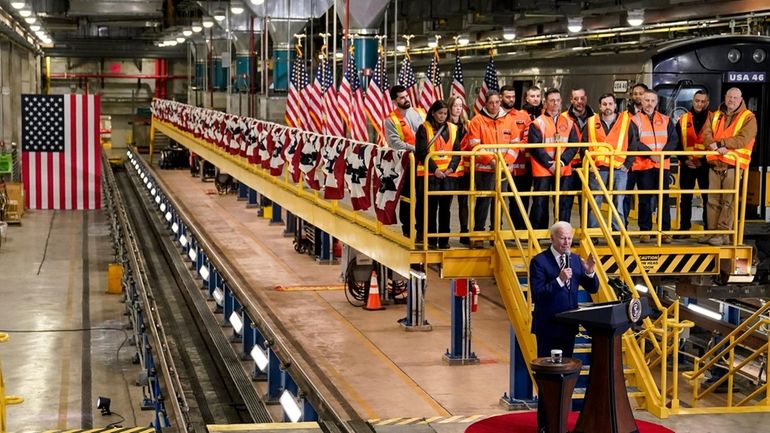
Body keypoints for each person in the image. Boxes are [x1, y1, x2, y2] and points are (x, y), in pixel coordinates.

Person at [530, 221, 599, 358]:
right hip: (548, 327)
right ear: (552, 238)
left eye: (569, 238)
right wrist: (559, 280)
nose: (567, 242)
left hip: (568, 327)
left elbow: (593, 289)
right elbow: (538, 295)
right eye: (562, 238)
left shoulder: (575, 259)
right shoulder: (539, 261)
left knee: (567, 369)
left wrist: (590, 272)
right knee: (548, 371)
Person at [466, 91, 524, 248]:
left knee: (500, 202)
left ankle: (496, 233)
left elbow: (515, 144)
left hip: (503, 169)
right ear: (485, 103)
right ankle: (479, 234)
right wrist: (491, 161)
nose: (494, 105)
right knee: (484, 202)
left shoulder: (509, 120)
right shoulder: (478, 120)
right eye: (491, 103)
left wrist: (506, 161)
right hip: (484, 170)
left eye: (497, 102)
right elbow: (475, 144)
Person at [701, 87, 756, 246]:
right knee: (712, 200)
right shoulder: (715, 115)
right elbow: (706, 134)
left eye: (735, 97)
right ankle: (712, 233)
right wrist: (713, 145)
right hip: (714, 164)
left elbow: (743, 139)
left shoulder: (748, 118)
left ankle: (723, 233)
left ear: (740, 99)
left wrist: (721, 144)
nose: (731, 100)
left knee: (728, 201)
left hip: (733, 165)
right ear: (725, 97)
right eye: (729, 97)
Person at [627, 89, 678, 243]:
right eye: (646, 100)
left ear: (657, 102)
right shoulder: (634, 120)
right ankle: (645, 230)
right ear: (641, 102)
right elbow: (634, 142)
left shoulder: (666, 120)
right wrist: (651, 154)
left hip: (662, 165)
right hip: (644, 166)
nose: (649, 104)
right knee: (645, 199)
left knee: (664, 198)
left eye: (652, 101)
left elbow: (673, 140)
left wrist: (662, 155)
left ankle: (665, 231)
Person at [415, 100, 463, 249]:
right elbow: (422, 152)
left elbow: (457, 152)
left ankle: (443, 240)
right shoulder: (424, 128)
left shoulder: (454, 129)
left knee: (445, 209)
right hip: (430, 175)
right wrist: (435, 170)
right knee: (430, 208)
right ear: (433, 113)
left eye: (445, 113)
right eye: (440, 113)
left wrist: (450, 169)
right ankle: (430, 239)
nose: (442, 116)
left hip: (448, 176)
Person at [528, 89, 579, 229]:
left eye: (558, 100)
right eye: (552, 100)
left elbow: (574, 146)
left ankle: (563, 232)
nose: (555, 103)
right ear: (545, 102)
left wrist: (561, 162)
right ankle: (538, 233)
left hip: (564, 169)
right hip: (543, 169)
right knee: (540, 202)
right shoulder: (537, 123)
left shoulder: (569, 123)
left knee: (564, 202)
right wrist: (550, 165)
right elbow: (535, 147)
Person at [586, 93, 634, 231]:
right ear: (600, 107)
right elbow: (584, 145)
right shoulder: (591, 122)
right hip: (598, 169)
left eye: (610, 104)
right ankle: (593, 233)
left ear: (615, 105)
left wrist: (627, 164)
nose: (608, 107)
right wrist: (589, 164)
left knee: (618, 202)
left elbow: (633, 143)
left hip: (619, 169)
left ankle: (617, 232)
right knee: (595, 202)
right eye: (604, 104)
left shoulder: (626, 122)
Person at [384, 85, 427, 238]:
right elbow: (395, 143)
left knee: (423, 197)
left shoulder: (420, 113)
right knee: (407, 197)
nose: (406, 99)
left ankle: (422, 230)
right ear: (394, 101)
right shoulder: (390, 120)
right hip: (407, 164)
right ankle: (407, 229)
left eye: (406, 95)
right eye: (401, 97)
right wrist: (418, 148)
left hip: (424, 163)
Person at [676, 90, 712, 238]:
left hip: (706, 165)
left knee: (708, 198)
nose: (699, 104)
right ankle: (684, 229)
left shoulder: (714, 119)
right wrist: (685, 160)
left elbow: (715, 141)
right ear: (693, 101)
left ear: (707, 103)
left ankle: (708, 230)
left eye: (703, 101)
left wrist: (702, 161)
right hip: (687, 165)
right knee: (685, 198)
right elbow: (677, 143)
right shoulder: (683, 119)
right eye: (697, 101)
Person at [500, 85, 532, 230]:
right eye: (508, 97)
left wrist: (511, 154)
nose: (511, 99)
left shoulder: (523, 116)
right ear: (501, 97)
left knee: (520, 200)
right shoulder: (497, 116)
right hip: (499, 166)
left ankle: (519, 229)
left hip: (520, 167)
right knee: (498, 200)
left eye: (513, 97)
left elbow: (527, 138)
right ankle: (496, 229)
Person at [563, 88, 595, 224]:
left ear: (586, 98)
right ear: (571, 100)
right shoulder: (563, 118)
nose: (579, 102)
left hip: (588, 167)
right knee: (565, 203)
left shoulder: (595, 118)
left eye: (582, 98)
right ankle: (564, 233)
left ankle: (586, 234)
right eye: (576, 99)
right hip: (568, 167)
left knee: (587, 203)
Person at [447, 95, 471, 244]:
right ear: (450, 107)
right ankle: (445, 233)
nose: (458, 108)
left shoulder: (467, 125)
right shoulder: (445, 125)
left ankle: (464, 232)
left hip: (464, 170)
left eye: (460, 106)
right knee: (446, 203)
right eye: (455, 105)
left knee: (464, 202)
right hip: (449, 169)